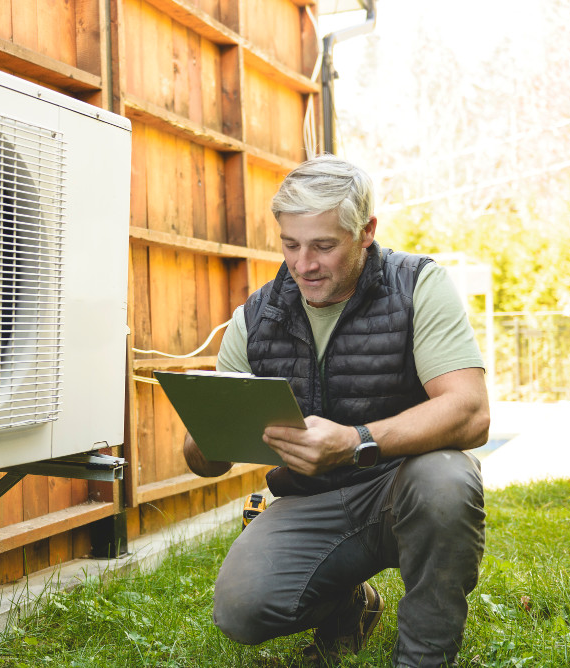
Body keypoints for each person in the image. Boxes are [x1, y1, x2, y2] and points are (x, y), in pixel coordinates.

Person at [182, 154, 489, 667]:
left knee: (446, 480)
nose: (303, 264)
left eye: (324, 246)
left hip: (401, 487)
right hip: (312, 501)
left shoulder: (418, 285)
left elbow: (469, 412)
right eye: (290, 244)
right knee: (242, 610)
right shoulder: (256, 317)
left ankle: (423, 658)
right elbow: (204, 458)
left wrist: (355, 440)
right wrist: (207, 437)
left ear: (365, 231)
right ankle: (350, 608)